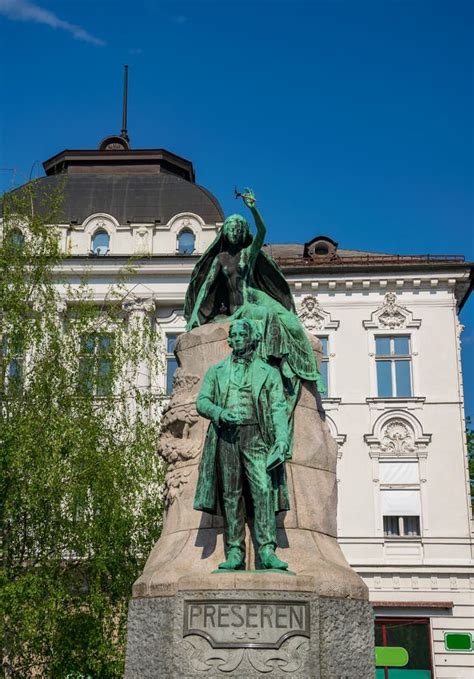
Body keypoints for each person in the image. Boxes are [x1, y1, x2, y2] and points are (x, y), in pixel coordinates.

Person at [184, 189, 325, 390]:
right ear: (225, 232)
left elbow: (262, 232)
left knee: (293, 322)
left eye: (239, 228)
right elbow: (205, 288)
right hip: (242, 306)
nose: (235, 231)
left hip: (255, 296)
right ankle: (281, 360)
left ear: (243, 233)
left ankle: (312, 373)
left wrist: (253, 209)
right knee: (268, 315)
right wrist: (194, 317)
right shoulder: (220, 259)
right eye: (231, 227)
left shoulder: (247, 254)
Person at [194, 318, 290, 570]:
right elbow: (202, 401)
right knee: (231, 495)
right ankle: (235, 551)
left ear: (251, 338)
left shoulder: (269, 373)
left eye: (240, 335)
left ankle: (267, 550)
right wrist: (219, 413)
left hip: (257, 436)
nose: (235, 339)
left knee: (263, 491)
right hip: (227, 437)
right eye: (233, 335)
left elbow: (279, 407)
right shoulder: (216, 371)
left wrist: (281, 440)